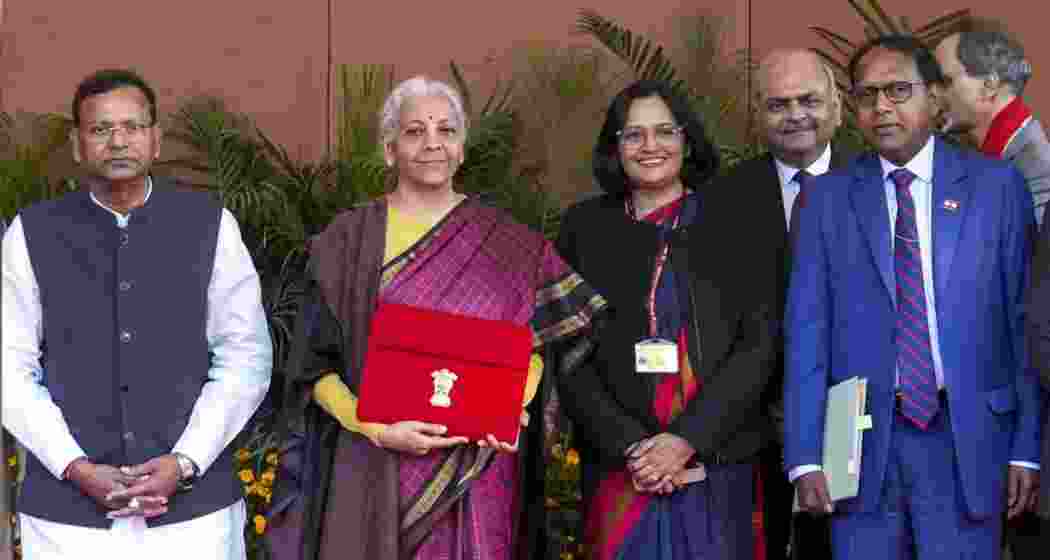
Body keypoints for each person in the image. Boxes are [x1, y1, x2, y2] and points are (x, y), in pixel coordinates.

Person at [264, 75, 606, 560]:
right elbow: (311, 364)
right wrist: (372, 426)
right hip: (374, 464)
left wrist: (509, 405)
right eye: (414, 131)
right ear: (389, 150)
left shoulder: (510, 244)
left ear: (462, 149)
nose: (432, 143)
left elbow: (542, 343)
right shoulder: (348, 241)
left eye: (446, 130)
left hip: (480, 467)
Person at [784, 35, 1043, 559]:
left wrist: (1028, 449)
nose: (882, 107)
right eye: (867, 95)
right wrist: (805, 458)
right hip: (856, 441)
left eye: (899, 90)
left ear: (936, 98)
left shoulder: (997, 187)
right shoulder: (826, 199)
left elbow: (1024, 326)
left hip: (968, 436)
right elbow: (806, 330)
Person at [1, 68, 273, 558]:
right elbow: (8, 365)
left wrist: (186, 461)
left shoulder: (209, 225)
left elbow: (245, 355)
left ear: (155, 140)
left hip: (194, 516)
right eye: (101, 129)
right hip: (68, 523)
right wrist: (74, 466)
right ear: (78, 144)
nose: (118, 141)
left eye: (132, 127)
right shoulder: (33, 232)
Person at [555, 79, 776, 560]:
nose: (650, 146)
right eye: (633, 135)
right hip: (620, 467)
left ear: (687, 139)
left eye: (664, 131)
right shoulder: (584, 228)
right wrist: (634, 447)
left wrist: (684, 440)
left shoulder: (739, 221)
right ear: (614, 148)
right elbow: (567, 351)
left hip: (717, 460)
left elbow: (758, 347)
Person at [712, 48, 846, 560]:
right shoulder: (721, 199)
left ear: (836, 106)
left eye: (809, 100)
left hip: (848, 418)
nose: (795, 115)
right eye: (778, 104)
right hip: (748, 426)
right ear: (757, 115)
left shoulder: (872, 185)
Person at [934, 20, 1050, 557]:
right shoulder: (995, 155)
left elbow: (1028, 309)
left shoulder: (1030, 166)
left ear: (989, 85)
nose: (934, 92)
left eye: (943, 77)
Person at [934, 20, 1050, 226]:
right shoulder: (1005, 153)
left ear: (989, 85)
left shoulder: (1034, 168)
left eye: (945, 82)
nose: (933, 95)